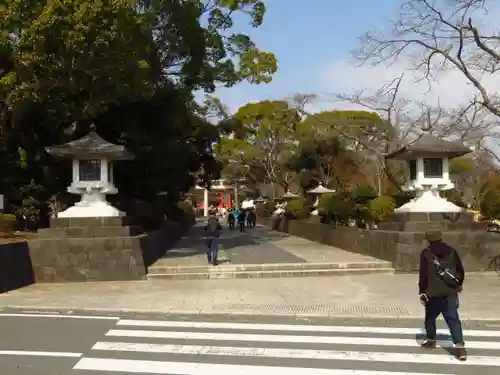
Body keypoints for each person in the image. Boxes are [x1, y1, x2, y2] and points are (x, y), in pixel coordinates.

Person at [418, 230, 466, 361]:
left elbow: (423, 275)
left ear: (429, 240)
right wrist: (458, 284)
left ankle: (431, 341)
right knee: (453, 320)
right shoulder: (451, 251)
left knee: (430, 318)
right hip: (449, 291)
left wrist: (422, 291)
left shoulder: (426, 254)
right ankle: (460, 348)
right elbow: (460, 269)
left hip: (432, 293)